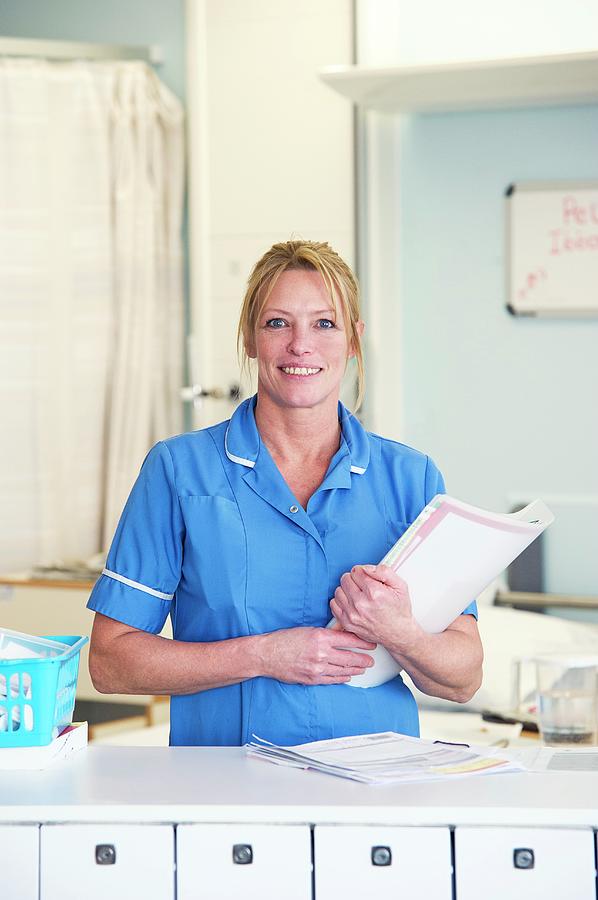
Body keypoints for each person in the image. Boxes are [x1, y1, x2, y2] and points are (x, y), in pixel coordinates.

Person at [87, 239, 483, 747]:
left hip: (377, 794)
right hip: (227, 791)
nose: (301, 345)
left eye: (325, 323)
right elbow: (111, 662)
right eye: (278, 323)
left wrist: (399, 631)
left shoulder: (411, 479)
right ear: (252, 339)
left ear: (354, 340)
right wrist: (264, 655)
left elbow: (463, 677)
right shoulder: (179, 471)